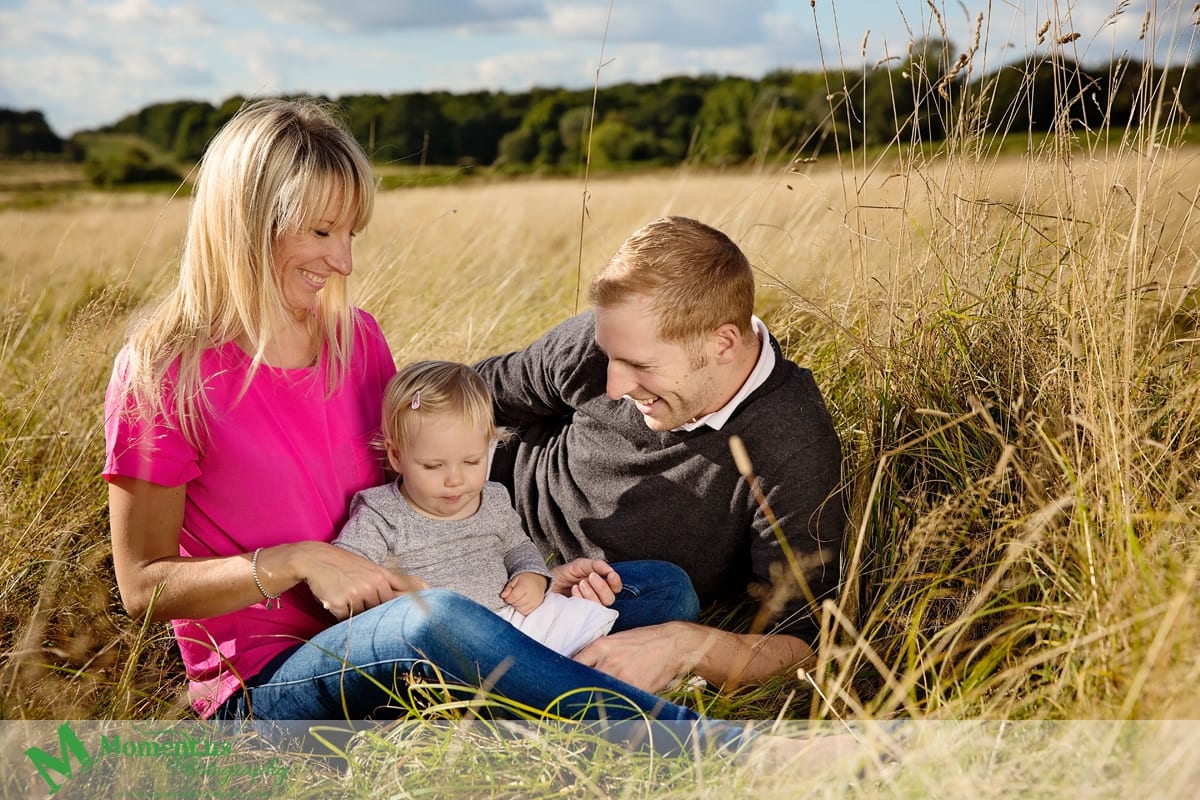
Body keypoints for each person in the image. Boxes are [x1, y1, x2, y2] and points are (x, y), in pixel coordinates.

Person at [101, 99, 745, 744]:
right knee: (434, 620)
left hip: (429, 627)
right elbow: (144, 588)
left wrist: (540, 576)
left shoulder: (356, 339)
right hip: (275, 683)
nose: (344, 262)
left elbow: (420, 499)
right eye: (322, 233)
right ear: (247, 222)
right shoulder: (165, 374)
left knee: (657, 591)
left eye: (351, 234)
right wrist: (298, 560)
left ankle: (524, 704)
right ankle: (696, 746)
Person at [476, 215, 848, 695]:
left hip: (595, 598)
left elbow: (800, 643)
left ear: (723, 344)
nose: (614, 385)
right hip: (472, 521)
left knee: (669, 593)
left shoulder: (792, 445)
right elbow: (472, 394)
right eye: (609, 355)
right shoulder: (610, 340)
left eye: (640, 366)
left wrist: (682, 645)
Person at [332, 360, 620, 658]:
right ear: (396, 455)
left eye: (472, 462)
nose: (455, 480)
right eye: (433, 466)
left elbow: (517, 546)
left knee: (656, 581)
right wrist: (394, 603)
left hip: (514, 619)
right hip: (442, 645)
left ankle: (576, 664)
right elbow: (345, 574)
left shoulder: (492, 497)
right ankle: (562, 677)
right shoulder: (382, 513)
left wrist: (532, 574)